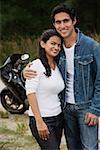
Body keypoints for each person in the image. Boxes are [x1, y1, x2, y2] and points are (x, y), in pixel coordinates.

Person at [23, 3, 100, 150]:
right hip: (65, 109)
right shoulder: (58, 49)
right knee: (73, 147)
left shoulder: (91, 46)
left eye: (66, 21)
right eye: (58, 22)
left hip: (86, 108)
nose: (62, 25)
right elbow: (42, 64)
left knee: (90, 148)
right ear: (54, 24)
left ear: (74, 21)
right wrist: (25, 70)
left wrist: (96, 108)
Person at [25, 29, 65, 150]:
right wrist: (39, 122)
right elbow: (30, 93)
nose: (56, 47)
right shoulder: (35, 65)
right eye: (52, 43)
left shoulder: (58, 66)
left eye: (58, 45)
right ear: (43, 44)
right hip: (43, 119)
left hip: (58, 118)